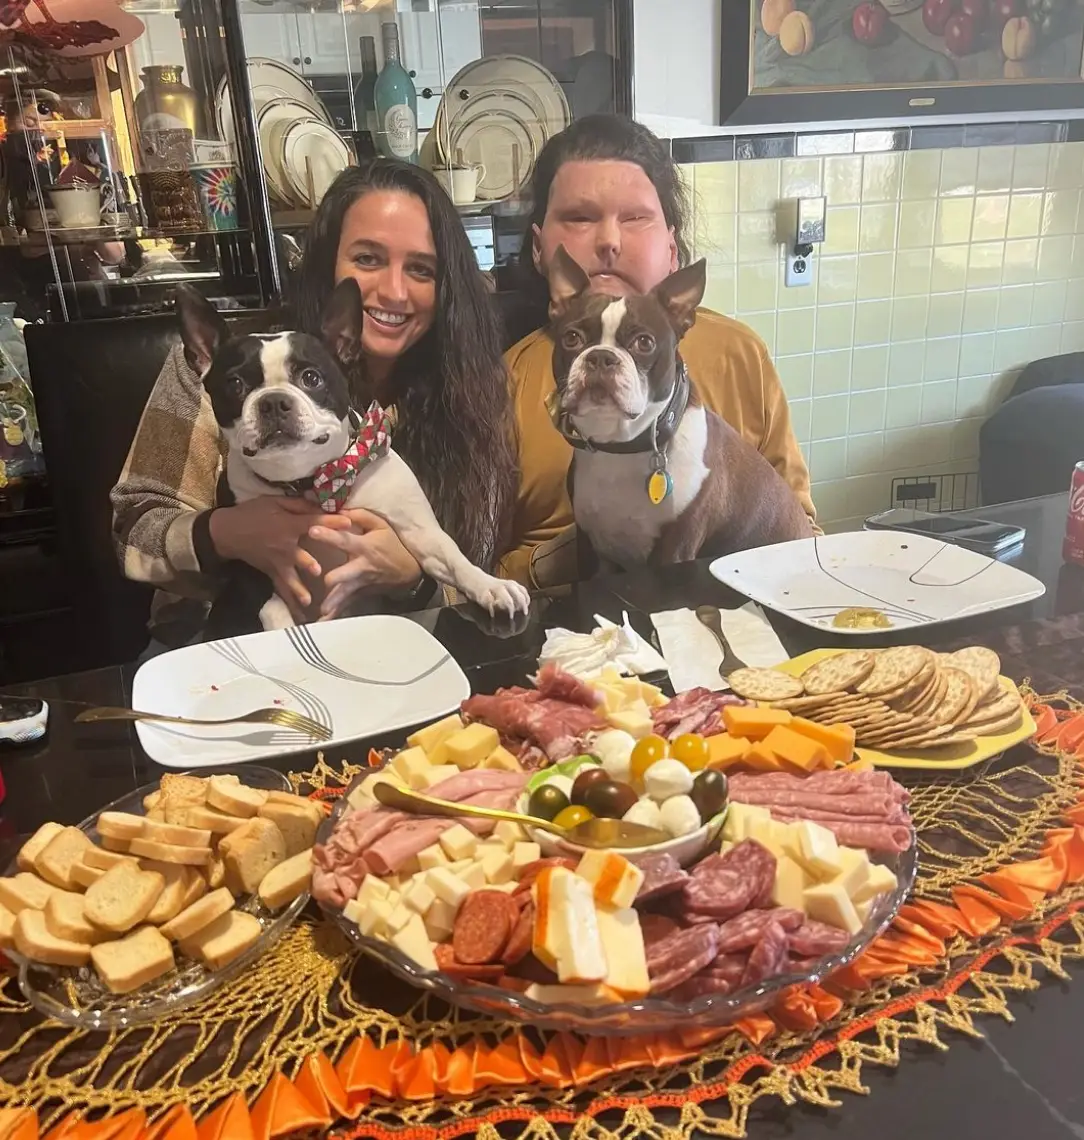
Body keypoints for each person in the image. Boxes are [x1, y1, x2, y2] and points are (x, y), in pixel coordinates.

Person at [111, 159, 518, 649]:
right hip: (216, 648)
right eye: (368, 259)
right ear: (327, 266)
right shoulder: (221, 366)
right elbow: (131, 532)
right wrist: (226, 533)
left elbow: (477, 565)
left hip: (392, 644)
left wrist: (409, 574)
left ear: (447, 284)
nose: (393, 290)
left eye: (421, 269)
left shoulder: (467, 390)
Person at [499, 114, 816, 589]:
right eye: (580, 218)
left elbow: (802, 529)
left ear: (672, 247)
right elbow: (482, 573)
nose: (609, 241)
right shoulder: (505, 381)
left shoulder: (739, 354)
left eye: (634, 217)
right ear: (540, 248)